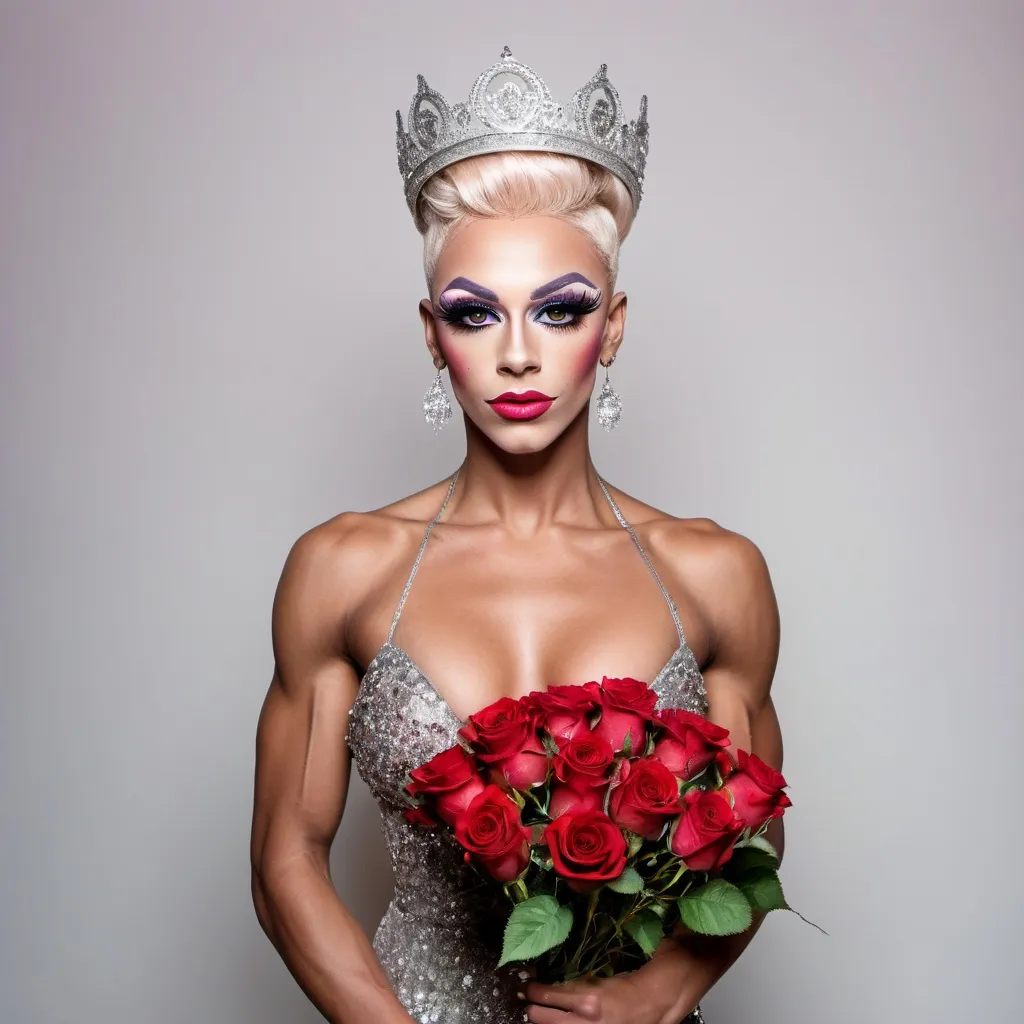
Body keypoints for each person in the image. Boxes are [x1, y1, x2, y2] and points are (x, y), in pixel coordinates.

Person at [250, 48, 784, 1024]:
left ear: (611, 326)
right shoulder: (344, 569)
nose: (517, 353)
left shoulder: (712, 574)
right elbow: (285, 857)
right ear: (430, 333)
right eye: (473, 314)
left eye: (560, 308)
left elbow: (753, 839)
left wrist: (660, 994)